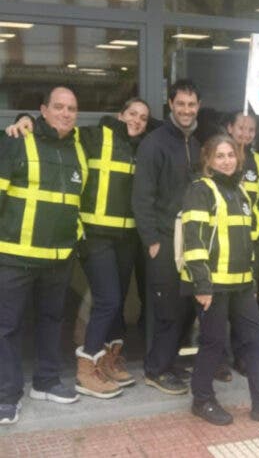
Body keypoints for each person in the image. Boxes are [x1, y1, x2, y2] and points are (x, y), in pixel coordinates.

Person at [5, 98, 152, 398]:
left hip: (125, 238)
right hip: (94, 236)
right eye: (132, 114)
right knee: (108, 300)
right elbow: (54, 130)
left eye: (144, 118)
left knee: (116, 301)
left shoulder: (144, 146)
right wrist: (25, 117)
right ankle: (86, 369)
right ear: (119, 114)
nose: (137, 120)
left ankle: (106, 361)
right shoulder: (92, 136)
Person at [181, 134, 259, 426]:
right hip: (212, 284)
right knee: (213, 342)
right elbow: (193, 240)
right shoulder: (200, 190)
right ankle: (202, 400)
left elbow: (247, 243)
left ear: (239, 159)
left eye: (230, 155)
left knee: (256, 338)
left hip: (242, 283)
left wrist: (252, 284)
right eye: (219, 156)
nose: (226, 160)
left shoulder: (242, 193)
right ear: (208, 161)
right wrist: (202, 285)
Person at [0, 86, 87, 425]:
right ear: (43, 110)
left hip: (58, 257)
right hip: (14, 257)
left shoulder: (79, 149)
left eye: (72, 108)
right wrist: (21, 121)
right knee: (7, 328)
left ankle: (46, 381)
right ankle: (7, 396)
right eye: (59, 107)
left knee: (53, 321)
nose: (66, 113)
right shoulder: (17, 141)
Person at [132, 79, 202, 395]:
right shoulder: (154, 143)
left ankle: (171, 362)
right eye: (181, 104)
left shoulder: (198, 144)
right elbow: (141, 197)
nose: (186, 110)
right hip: (163, 239)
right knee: (167, 309)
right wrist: (152, 241)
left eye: (191, 104)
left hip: (190, 242)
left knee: (186, 307)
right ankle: (156, 369)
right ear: (170, 105)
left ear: (197, 106)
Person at [219, 111, 259, 381]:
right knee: (219, 303)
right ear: (230, 128)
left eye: (251, 129)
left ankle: (242, 356)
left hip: (252, 241)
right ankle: (217, 359)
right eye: (241, 127)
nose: (246, 133)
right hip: (222, 242)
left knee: (246, 303)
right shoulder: (218, 155)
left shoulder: (258, 161)